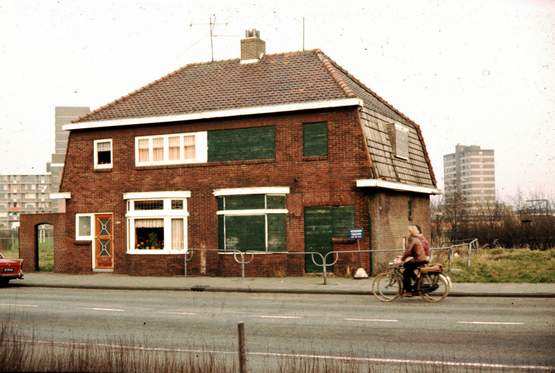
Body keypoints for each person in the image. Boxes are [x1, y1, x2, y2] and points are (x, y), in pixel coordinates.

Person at [400, 225, 429, 296]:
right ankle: (417, 283)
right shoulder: (416, 238)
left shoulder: (412, 239)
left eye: (409, 231)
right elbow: (411, 251)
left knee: (405, 272)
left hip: (419, 259)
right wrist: (404, 257)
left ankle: (408, 291)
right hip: (421, 258)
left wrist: (402, 259)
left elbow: (408, 251)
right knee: (408, 268)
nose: (408, 233)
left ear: (411, 232)